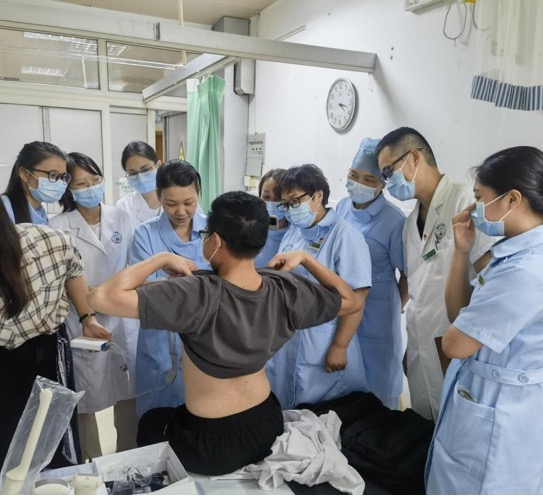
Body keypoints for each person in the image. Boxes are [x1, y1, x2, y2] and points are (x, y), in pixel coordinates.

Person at [87, 191, 363, 475]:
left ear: (215, 241)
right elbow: (351, 301)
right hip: (267, 424)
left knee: (150, 424)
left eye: (205, 234)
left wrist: (161, 258)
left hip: (210, 443)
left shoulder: (195, 292)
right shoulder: (284, 287)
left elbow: (100, 298)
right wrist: (306, 259)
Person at [425, 146, 543, 494]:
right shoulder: (521, 252)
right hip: (490, 398)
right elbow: (460, 315)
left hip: (500, 413)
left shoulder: (527, 270)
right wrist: (461, 252)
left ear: (512, 199)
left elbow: (454, 343)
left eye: (479, 198)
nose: (474, 209)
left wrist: (458, 331)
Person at [0, 178, 111, 478]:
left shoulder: (48, 243)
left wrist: (87, 317)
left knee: (55, 452)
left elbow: (73, 268)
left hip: (49, 354)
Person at [376, 127, 494, 421]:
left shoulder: (463, 200)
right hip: (421, 346)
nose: (388, 182)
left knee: (455, 427)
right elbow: (419, 286)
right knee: (423, 428)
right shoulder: (409, 223)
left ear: (414, 157)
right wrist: (412, 345)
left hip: (456, 342)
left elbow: (489, 279)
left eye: (389, 172)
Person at [50, 152, 137, 459]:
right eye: (81, 183)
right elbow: (62, 278)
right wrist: (95, 296)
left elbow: (133, 265)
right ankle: (91, 465)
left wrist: (107, 293)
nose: (90, 188)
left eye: (95, 180)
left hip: (122, 318)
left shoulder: (121, 217)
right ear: (68, 189)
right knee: (84, 400)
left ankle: (129, 458)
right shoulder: (58, 225)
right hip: (81, 318)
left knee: (128, 394)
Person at [266, 164, 371, 409]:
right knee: (290, 413)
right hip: (290, 337)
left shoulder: (345, 235)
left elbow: (358, 297)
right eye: (286, 204)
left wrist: (339, 346)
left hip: (325, 340)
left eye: (295, 201)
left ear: (318, 195)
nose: (291, 210)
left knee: (324, 416)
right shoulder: (294, 232)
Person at [129, 160, 209, 419]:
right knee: (157, 420)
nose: (181, 212)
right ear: (159, 196)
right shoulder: (145, 235)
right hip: (159, 341)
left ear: (198, 193)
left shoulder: (213, 231)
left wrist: (169, 285)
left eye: (189, 202)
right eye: (171, 204)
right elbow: (139, 288)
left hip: (205, 339)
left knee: (202, 419)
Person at [336, 138, 408, 410]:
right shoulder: (342, 207)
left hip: (378, 310)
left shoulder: (393, 220)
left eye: (368, 179)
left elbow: (407, 273)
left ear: (382, 183)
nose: (359, 183)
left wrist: (396, 304)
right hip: (343, 302)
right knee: (345, 377)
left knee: (378, 381)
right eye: (354, 175)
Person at [2, 141, 71, 224]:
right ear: (25, 174)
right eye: (53, 175)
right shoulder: (2, 209)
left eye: (62, 177)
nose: (59, 183)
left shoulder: (40, 213)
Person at [116, 141, 162, 237]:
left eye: (146, 169)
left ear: (158, 165)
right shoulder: (124, 206)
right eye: (133, 173)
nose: (141, 178)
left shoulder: (178, 197)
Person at [254, 168, 289, 267]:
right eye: (266, 197)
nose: (272, 203)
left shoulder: (296, 232)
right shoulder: (251, 227)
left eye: (279, 199)